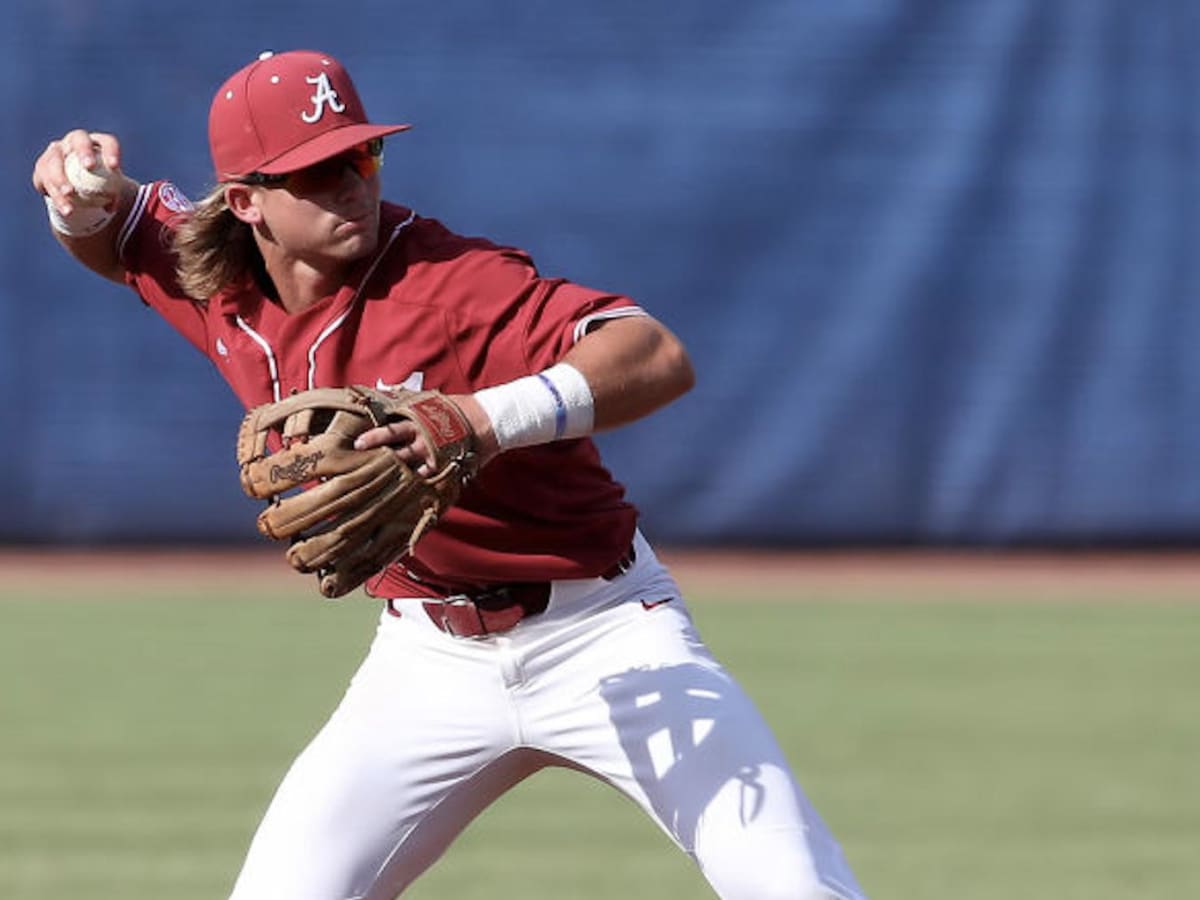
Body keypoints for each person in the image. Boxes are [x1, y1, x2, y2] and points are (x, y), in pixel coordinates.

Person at [32, 49, 868, 900]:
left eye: (361, 155)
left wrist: (481, 417)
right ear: (246, 202)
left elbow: (655, 354)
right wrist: (74, 203)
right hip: (428, 661)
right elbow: (120, 232)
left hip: (607, 633)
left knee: (796, 888)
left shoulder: (450, 283)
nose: (351, 183)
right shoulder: (219, 279)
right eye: (316, 171)